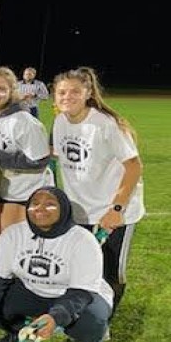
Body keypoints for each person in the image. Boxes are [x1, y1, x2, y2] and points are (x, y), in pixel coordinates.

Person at [0, 187, 113, 342]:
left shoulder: (82, 240)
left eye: (50, 204)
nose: (40, 208)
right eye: (34, 204)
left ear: (64, 209)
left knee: (92, 316)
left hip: (77, 294)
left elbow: (81, 292)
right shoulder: (13, 234)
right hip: (33, 289)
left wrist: (55, 317)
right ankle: (18, 332)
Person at [51, 67, 144, 314]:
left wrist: (116, 209)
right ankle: (85, 312)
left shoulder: (105, 124)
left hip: (113, 210)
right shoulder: (60, 121)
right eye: (61, 92)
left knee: (110, 269)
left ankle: (103, 320)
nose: (66, 97)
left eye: (74, 92)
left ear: (88, 93)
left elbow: (134, 167)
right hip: (80, 211)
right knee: (81, 267)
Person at [0, 66, 53, 235]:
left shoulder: (23, 121)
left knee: (17, 243)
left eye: (2, 89)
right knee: (4, 240)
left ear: (12, 92)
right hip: (2, 185)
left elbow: (39, 162)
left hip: (28, 190)